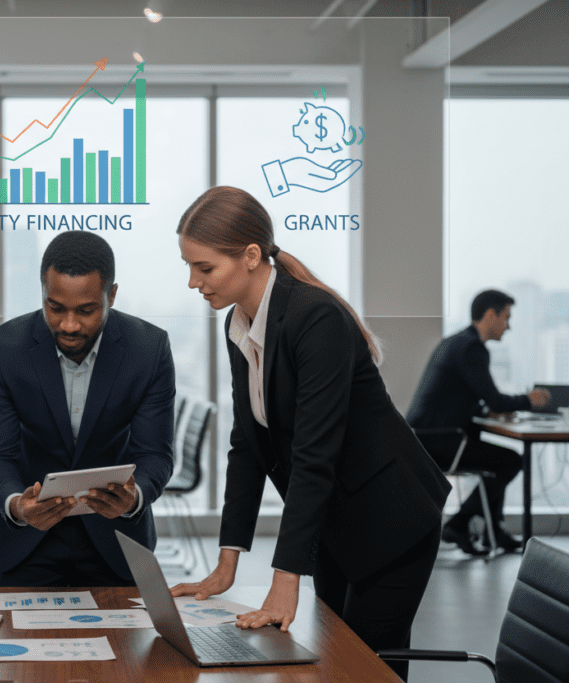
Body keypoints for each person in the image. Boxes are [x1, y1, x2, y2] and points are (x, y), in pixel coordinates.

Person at [169, 187, 451, 682]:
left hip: (392, 519)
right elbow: (247, 446)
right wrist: (226, 564)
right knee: (338, 663)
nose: (193, 282)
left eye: (204, 268)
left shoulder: (314, 317)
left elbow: (314, 454)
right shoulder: (241, 323)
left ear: (252, 256)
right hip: (338, 524)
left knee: (367, 668)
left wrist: (285, 579)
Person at [0, 231, 175, 587]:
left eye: (86, 310)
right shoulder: (3, 349)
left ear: (111, 295)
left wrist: (132, 499)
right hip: (26, 544)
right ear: (42, 292)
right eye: (55, 307)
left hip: (116, 544)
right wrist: (18, 506)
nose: (69, 325)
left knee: (123, 645)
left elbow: (155, 454)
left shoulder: (148, 349)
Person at [407, 289, 551, 555]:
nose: (508, 326)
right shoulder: (472, 348)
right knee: (510, 460)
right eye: (506, 317)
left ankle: (492, 532)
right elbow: (495, 399)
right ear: (490, 315)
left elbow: (466, 398)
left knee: (498, 460)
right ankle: (460, 525)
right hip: (442, 441)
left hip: (425, 438)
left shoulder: (455, 342)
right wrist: (529, 400)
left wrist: (488, 410)